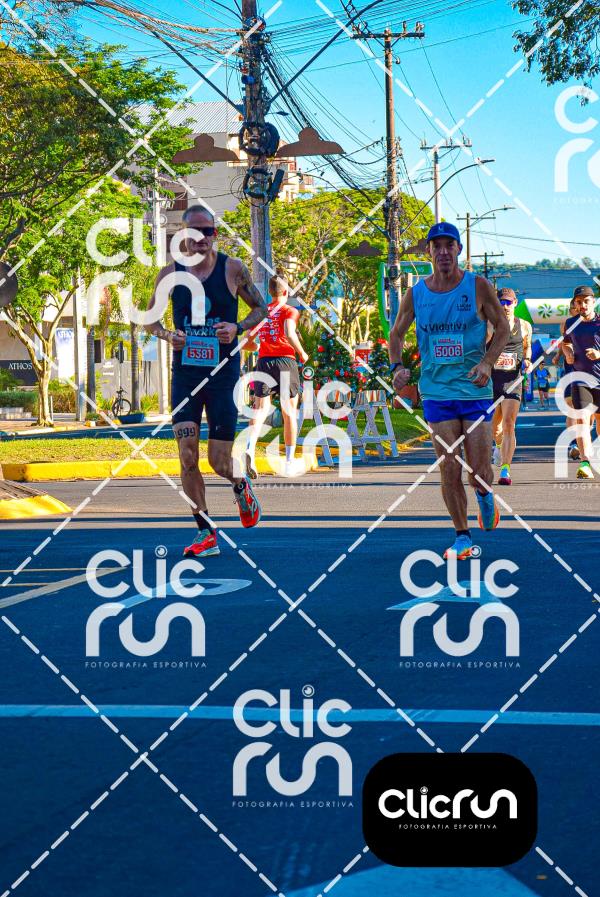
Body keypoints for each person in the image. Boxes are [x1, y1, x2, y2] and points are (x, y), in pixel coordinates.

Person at [145, 204, 268, 557]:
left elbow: (261, 309)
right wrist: (169, 335)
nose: (202, 238)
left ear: (215, 234)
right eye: (196, 232)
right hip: (185, 375)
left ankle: (240, 484)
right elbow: (150, 321)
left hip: (222, 376)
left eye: (209, 231)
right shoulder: (170, 274)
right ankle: (206, 532)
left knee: (218, 461)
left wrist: (237, 327)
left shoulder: (232, 269)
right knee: (187, 455)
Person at [390, 221, 510, 561]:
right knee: (448, 465)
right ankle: (462, 536)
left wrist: (487, 363)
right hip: (436, 392)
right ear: (429, 251)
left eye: (449, 245)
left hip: (474, 391)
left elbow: (502, 327)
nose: (443, 252)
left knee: (479, 471)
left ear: (459, 249)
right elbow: (397, 333)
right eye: (436, 246)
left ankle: (484, 495)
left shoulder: (478, 286)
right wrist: (397, 368)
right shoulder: (416, 293)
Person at [244, 273, 309, 478]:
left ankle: (249, 449)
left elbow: (247, 340)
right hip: (285, 362)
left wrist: (257, 347)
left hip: (264, 362)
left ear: (269, 292)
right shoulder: (290, 310)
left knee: (260, 409)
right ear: (286, 291)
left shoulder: (261, 313)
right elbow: (289, 333)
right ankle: (289, 462)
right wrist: (302, 353)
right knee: (289, 411)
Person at [489, 288, 532, 486]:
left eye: (508, 302)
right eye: (501, 303)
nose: (505, 306)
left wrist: (528, 360)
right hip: (491, 381)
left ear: (515, 303)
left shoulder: (524, 325)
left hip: (513, 380)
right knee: (494, 427)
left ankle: (505, 469)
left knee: (508, 424)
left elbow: (527, 347)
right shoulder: (490, 324)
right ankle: (499, 446)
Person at [562, 284, 600, 479]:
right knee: (582, 419)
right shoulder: (570, 323)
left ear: (593, 302)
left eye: (586, 301)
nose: (582, 305)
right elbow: (565, 342)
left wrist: (599, 354)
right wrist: (568, 352)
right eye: (579, 302)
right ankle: (585, 463)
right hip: (580, 379)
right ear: (575, 304)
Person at [553, 296, 580, 460]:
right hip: (571, 369)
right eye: (574, 308)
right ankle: (574, 444)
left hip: (589, 370)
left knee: (589, 412)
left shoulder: (593, 323)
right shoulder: (567, 324)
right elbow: (565, 342)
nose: (577, 310)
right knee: (571, 407)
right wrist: (558, 355)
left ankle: (582, 440)